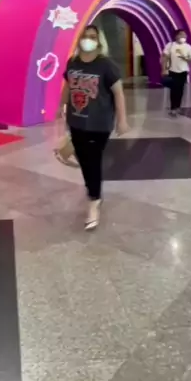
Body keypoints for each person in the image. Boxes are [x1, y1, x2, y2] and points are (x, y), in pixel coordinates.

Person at [58, 24, 129, 230]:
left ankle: (94, 201)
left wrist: (122, 119)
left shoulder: (106, 65)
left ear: (99, 41)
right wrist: (60, 106)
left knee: (93, 160)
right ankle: (93, 189)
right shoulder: (73, 62)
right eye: (85, 36)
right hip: (76, 120)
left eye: (92, 36)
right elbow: (67, 86)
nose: (88, 40)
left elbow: (118, 92)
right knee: (85, 159)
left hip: (100, 123)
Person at [161, 30, 191, 116]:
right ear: (176, 36)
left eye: (185, 35)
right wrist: (163, 69)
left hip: (183, 71)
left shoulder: (188, 47)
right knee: (174, 90)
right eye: (181, 35)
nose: (183, 37)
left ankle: (178, 107)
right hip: (172, 70)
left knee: (180, 89)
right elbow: (165, 57)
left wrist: (185, 58)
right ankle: (173, 108)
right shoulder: (170, 45)